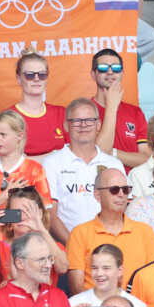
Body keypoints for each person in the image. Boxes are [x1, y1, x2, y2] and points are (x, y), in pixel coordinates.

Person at [66, 167, 154, 293]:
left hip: (137, 304)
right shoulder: (80, 233)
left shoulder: (145, 232)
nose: (121, 195)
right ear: (98, 195)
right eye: (114, 190)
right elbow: (76, 288)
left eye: (125, 189)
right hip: (94, 304)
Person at [42, 98, 123, 236]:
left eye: (89, 120)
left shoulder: (114, 164)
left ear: (98, 124)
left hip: (109, 243)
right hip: (67, 245)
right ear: (66, 126)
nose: (83, 125)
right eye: (76, 120)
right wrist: (73, 245)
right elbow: (49, 214)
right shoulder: (51, 163)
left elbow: (122, 209)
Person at [0, 110, 52, 220]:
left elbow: (45, 213)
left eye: (3, 135)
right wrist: (5, 195)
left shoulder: (35, 170)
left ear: (20, 136)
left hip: (24, 231)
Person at [0, 187, 68, 292]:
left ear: (39, 213)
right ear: (8, 215)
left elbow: (62, 269)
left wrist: (42, 230)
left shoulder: (53, 246)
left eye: (28, 211)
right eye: (17, 213)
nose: (22, 217)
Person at [67, 244, 148, 307]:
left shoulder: (137, 306)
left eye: (106, 268)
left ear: (120, 271)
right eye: (94, 268)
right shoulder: (74, 303)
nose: (99, 273)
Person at [6, 49, 67, 158]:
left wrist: (30, 159)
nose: (36, 79)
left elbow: (73, 154)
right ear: (19, 79)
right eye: (29, 75)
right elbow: (11, 161)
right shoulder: (8, 117)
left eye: (42, 75)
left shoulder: (61, 113)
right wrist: (55, 155)